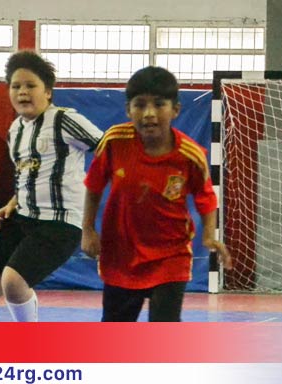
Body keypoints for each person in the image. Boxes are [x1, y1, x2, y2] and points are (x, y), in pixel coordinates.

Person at [81, 66, 233, 322]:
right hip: (121, 257)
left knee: (164, 334)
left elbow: (205, 197)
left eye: (159, 105)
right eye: (140, 105)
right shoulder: (114, 142)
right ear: (129, 110)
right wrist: (88, 230)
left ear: (175, 109)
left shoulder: (190, 155)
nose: (149, 114)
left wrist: (209, 235)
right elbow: (94, 186)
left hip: (170, 257)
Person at [0, 51, 103, 322]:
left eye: (30, 85)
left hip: (60, 224)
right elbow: (27, 176)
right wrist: (12, 204)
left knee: (13, 282)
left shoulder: (64, 120)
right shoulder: (16, 130)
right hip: (24, 219)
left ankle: (29, 345)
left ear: (48, 92)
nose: (22, 92)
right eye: (16, 86)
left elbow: (107, 147)